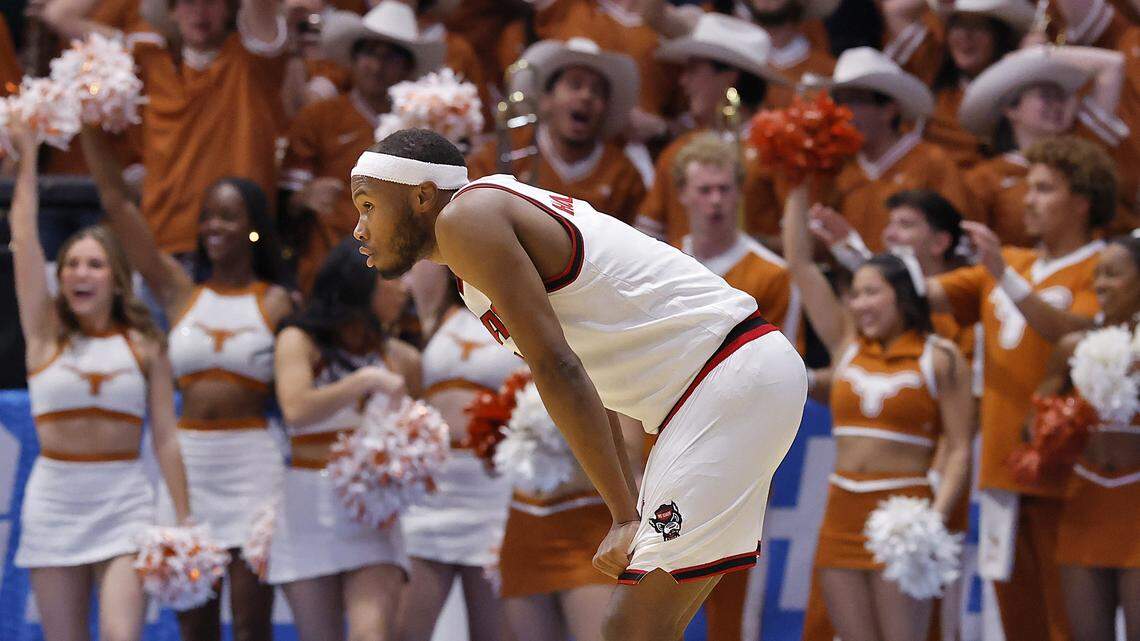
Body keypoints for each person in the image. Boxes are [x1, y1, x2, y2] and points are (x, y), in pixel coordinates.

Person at [349, 128, 807, 641]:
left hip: (726, 378)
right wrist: (627, 507)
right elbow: (587, 377)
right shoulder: (476, 244)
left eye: (368, 206)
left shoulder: (467, 219)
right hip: (725, 384)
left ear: (421, 196)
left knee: (630, 629)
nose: (359, 227)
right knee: (656, 626)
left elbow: (559, 368)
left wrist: (623, 516)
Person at [79, 126, 294, 641]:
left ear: (254, 228)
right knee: (194, 626)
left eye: (227, 216)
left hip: (254, 468)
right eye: (207, 216)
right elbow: (116, 202)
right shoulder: (179, 292)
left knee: (250, 625)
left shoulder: (279, 302)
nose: (212, 226)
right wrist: (87, 121)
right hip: (189, 469)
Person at [927, 136, 1118, 641]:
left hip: (1072, 475)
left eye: (1044, 189)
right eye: (1028, 188)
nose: (1027, 200)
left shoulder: (1107, 267)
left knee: (1072, 624)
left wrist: (1005, 276)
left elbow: (1070, 330)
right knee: (1018, 623)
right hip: (1001, 472)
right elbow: (914, 296)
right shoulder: (1008, 261)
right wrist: (850, 250)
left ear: (1082, 202)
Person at [9, 127, 192, 641]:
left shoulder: (145, 344)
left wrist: (183, 517)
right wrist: (27, 159)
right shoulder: (43, 335)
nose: (79, 274)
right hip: (54, 504)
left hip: (123, 505)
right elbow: (23, 235)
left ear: (116, 278)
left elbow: (166, 437)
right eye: (70, 264)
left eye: (94, 264)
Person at [783, 181, 974, 641]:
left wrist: (934, 517)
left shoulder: (941, 356)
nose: (859, 304)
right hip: (842, 515)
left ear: (903, 296)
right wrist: (796, 179)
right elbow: (800, 264)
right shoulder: (848, 345)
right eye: (856, 294)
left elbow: (960, 448)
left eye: (872, 293)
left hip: (905, 518)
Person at [270, 240, 421, 641]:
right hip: (306, 507)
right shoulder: (299, 341)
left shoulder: (403, 359)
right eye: (392, 278)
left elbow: (418, 436)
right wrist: (364, 381)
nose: (404, 288)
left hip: (373, 514)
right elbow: (297, 409)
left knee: (371, 634)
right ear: (362, 284)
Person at [281, 0, 444, 292]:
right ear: (353, 59)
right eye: (370, 53)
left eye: (391, 57)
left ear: (408, 68)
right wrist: (303, 197)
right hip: (327, 268)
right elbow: (283, 202)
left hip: (399, 273)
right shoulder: (319, 117)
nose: (378, 66)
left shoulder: (425, 127)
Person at [395, 260, 516, 641]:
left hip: (492, 490)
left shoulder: (518, 316)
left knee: (492, 634)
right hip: (432, 491)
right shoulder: (437, 309)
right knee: (403, 631)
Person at [1033, 233, 1140, 641]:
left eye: (1113, 274)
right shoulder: (1072, 347)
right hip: (1085, 503)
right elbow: (1032, 430)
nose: (1100, 284)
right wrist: (1056, 424)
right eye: (1096, 275)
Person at [635, 12, 786, 247]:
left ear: (729, 77)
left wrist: (740, 248)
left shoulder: (777, 149)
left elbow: (805, 243)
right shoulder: (677, 152)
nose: (683, 81)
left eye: (693, 70)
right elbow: (645, 239)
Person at [958, 44, 1132, 247]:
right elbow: (974, 247)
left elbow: (1112, 64)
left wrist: (1040, 53)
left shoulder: (1086, 153)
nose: (1057, 106)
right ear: (1011, 110)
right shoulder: (984, 178)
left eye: (1061, 97)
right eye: (1046, 96)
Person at [465, 37, 648, 224]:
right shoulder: (502, 152)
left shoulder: (624, 174)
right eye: (575, 85)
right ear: (545, 100)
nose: (586, 96)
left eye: (597, 91)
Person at [811, 46, 970, 254]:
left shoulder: (932, 162)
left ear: (889, 110)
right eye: (838, 101)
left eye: (855, 100)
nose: (842, 112)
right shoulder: (836, 165)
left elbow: (961, 242)